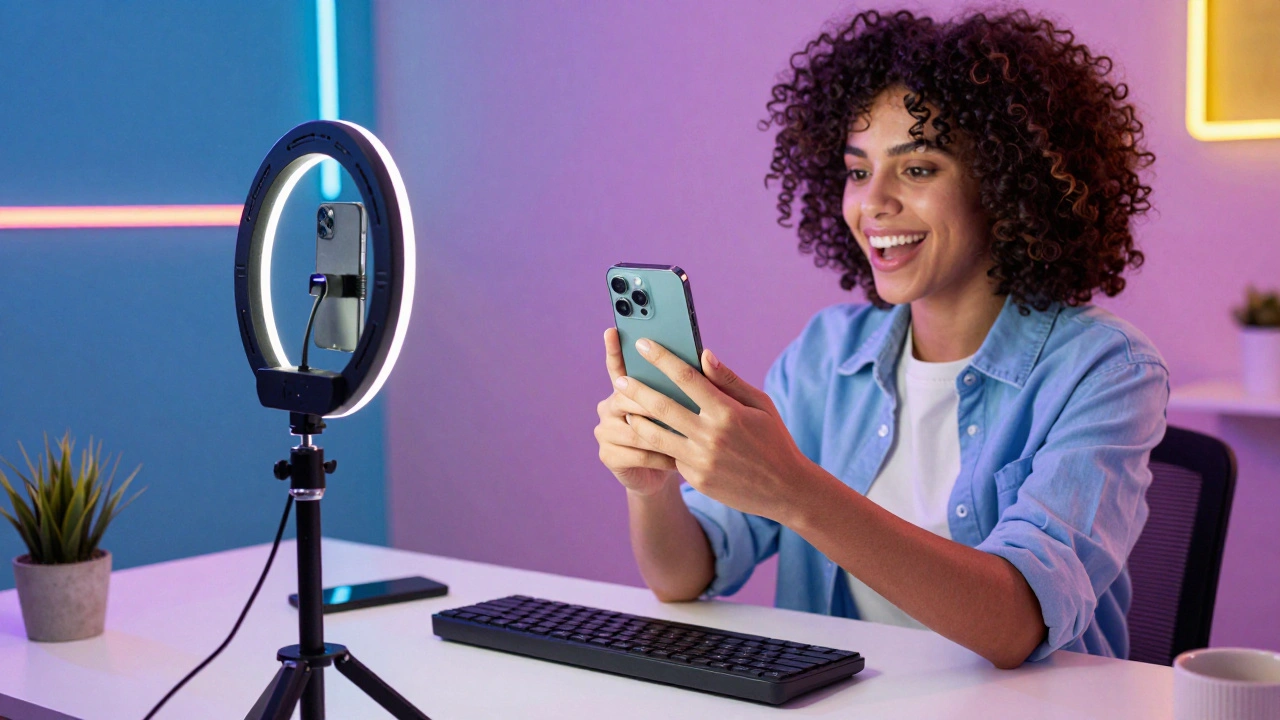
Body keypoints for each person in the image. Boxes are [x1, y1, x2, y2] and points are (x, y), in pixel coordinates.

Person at [592, 8, 1166, 669]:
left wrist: (795, 491)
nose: (872, 204)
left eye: (918, 168)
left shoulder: (1105, 369)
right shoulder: (827, 353)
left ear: (1006, 187)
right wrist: (652, 484)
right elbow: (682, 576)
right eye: (858, 171)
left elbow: (1017, 624)